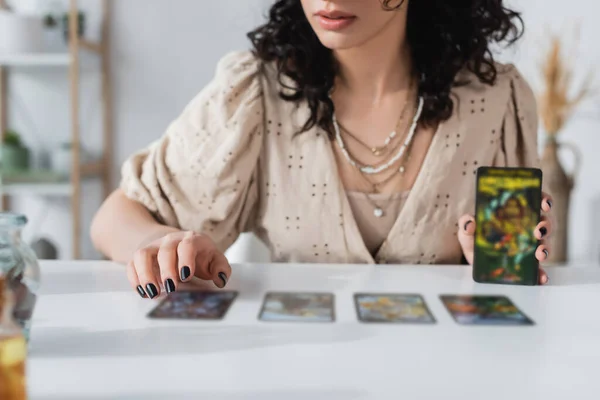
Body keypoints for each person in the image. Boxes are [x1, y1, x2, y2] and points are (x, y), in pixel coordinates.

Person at [91, 0, 554, 299]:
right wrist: (159, 247)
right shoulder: (253, 95)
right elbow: (114, 218)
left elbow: (514, 279)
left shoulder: (497, 102)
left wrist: (496, 260)